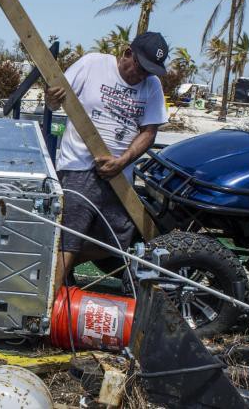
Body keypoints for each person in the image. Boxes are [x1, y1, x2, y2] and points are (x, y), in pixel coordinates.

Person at [45, 31, 170, 287]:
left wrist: (123, 161)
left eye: (149, 71)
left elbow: (149, 132)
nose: (142, 75)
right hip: (79, 166)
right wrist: (50, 99)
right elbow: (54, 102)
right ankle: (52, 305)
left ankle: (58, 274)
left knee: (117, 240)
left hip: (119, 175)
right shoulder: (92, 64)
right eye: (140, 66)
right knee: (70, 235)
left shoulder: (152, 85)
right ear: (127, 53)